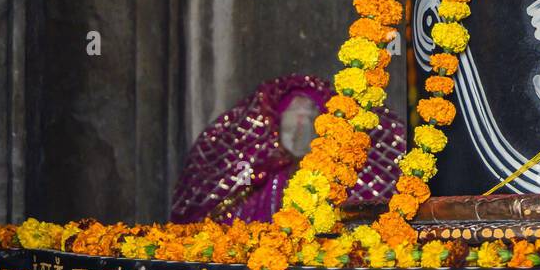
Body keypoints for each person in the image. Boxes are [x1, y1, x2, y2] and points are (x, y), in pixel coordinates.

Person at [170, 74, 405, 224]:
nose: (301, 121)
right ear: (276, 122)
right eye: (294, 116)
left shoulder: (342, 173)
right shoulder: (257, 173)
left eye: (309, 115)